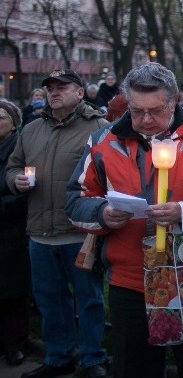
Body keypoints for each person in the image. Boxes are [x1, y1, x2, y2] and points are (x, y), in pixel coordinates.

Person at [65, 62, 183, 378]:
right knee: (133, 367)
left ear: (175, 100)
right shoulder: (103, 141)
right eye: (137, 111)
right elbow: (74, 200)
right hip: (129, 280)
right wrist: (103, 214)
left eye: (156, 110)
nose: (146, 120)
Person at [5, 69, 109, 378]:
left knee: (89, 300)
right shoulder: (32, 129)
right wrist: (15, 181)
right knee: (50, 301)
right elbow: (12, 166)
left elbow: (113, 175)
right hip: (39, 232)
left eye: (62, 86)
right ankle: (58, 356)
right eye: (49, 87)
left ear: (79, 92)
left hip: (78, 231)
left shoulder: (99, 128)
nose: (54, 92)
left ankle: (92, 359)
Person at [0, 100, 28, 367]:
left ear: (13, 122)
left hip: (12, 230)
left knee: (13, 289)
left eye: (1, 118)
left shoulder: (18, 148)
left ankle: (14, 344)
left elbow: (26, 188)